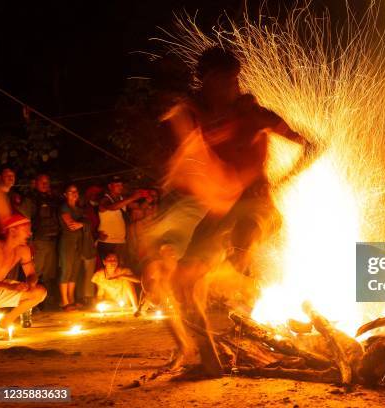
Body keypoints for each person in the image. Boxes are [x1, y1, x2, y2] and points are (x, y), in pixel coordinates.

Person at [162, 47, 318, 378]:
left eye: (233, 80)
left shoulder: (257, 114)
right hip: (220, 213)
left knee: (240, 242)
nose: (230, 87)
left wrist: (281, 180)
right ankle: (209, 362)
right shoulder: (197, 116)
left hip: (258, 208)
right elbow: (196, 157)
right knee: (179, 283)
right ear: (205, 82)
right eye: (221, 80)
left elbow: (312, 145)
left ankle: (262, 294)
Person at [0, 214, 47, 329]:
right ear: (13, 230)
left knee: (39, 292)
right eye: (26, 230)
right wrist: (9, 287)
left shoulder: (24, 250)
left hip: (0, 291)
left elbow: (31, 274)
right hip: (3, 287)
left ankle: (6, 320)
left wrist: (31, 284)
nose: (30, 233)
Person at [19, 174, 59, 306]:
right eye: (42, 182)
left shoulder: (52, 198)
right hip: (38, 241)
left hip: (52, 241)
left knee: (49, 273)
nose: (45, 184)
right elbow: (24, 220)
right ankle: (30, 305)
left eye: (47, 182)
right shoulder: (31, 199)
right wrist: (29, 241)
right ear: (35, 183)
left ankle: (45, 303)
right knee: (35, 273)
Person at [97, 176, 145, 265]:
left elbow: (136, 207)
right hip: (107, 241)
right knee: (107, 268)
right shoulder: (104, 199)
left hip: (120, 241)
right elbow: (112, 207)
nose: (121, 187)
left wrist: (147, 199)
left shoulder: (122, 199)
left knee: (120, 267)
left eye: (121, 185)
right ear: (110, 186)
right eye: (117, 185)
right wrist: (133, 197)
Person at [58, 184, 85, 311]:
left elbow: (83, 223)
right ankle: (64, 301)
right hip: (67, 242)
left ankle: (71, 299)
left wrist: (82, 224)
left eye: (76, 191)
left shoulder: (79, 209)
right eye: (71, 191)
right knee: (66, 270)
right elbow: (71, 225)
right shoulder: (64, 207)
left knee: (74, 270)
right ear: (65, 194)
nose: (74, 193)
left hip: (78, 242)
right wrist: (82, 224)